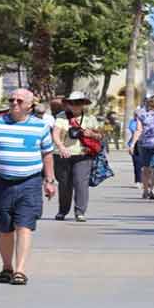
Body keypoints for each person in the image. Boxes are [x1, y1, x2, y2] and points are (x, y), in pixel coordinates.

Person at [0, 88, 57, 285]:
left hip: (29, 182)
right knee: (5, 227)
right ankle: (7, 267)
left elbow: (47, 154)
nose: (14, 103)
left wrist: (49, 180)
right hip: (2, 182)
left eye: (19, 101)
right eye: (12, 100)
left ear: (30, 105)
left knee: (24, 225)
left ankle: (20, 270)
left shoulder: (40, 127)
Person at [50, 91, 102, 221]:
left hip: (83, 154)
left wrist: (92, 134)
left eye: (78, 103)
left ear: (83, 104)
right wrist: (61, 147)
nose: (75, 106)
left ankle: (80, 211)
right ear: (68, 104)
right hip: (63, 155)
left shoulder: (90, 118)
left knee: (80, 182)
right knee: (64, 184)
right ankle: (63, 211)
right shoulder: (62, 117)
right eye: (72, 103)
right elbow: (55, 134)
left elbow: (100, 136)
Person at [130, 94, 154, 200]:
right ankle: (151, 190)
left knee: (145, 168)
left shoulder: (142, 115)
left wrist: (132, 144)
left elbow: (138, 130)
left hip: (144, 144)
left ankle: (145, 190)